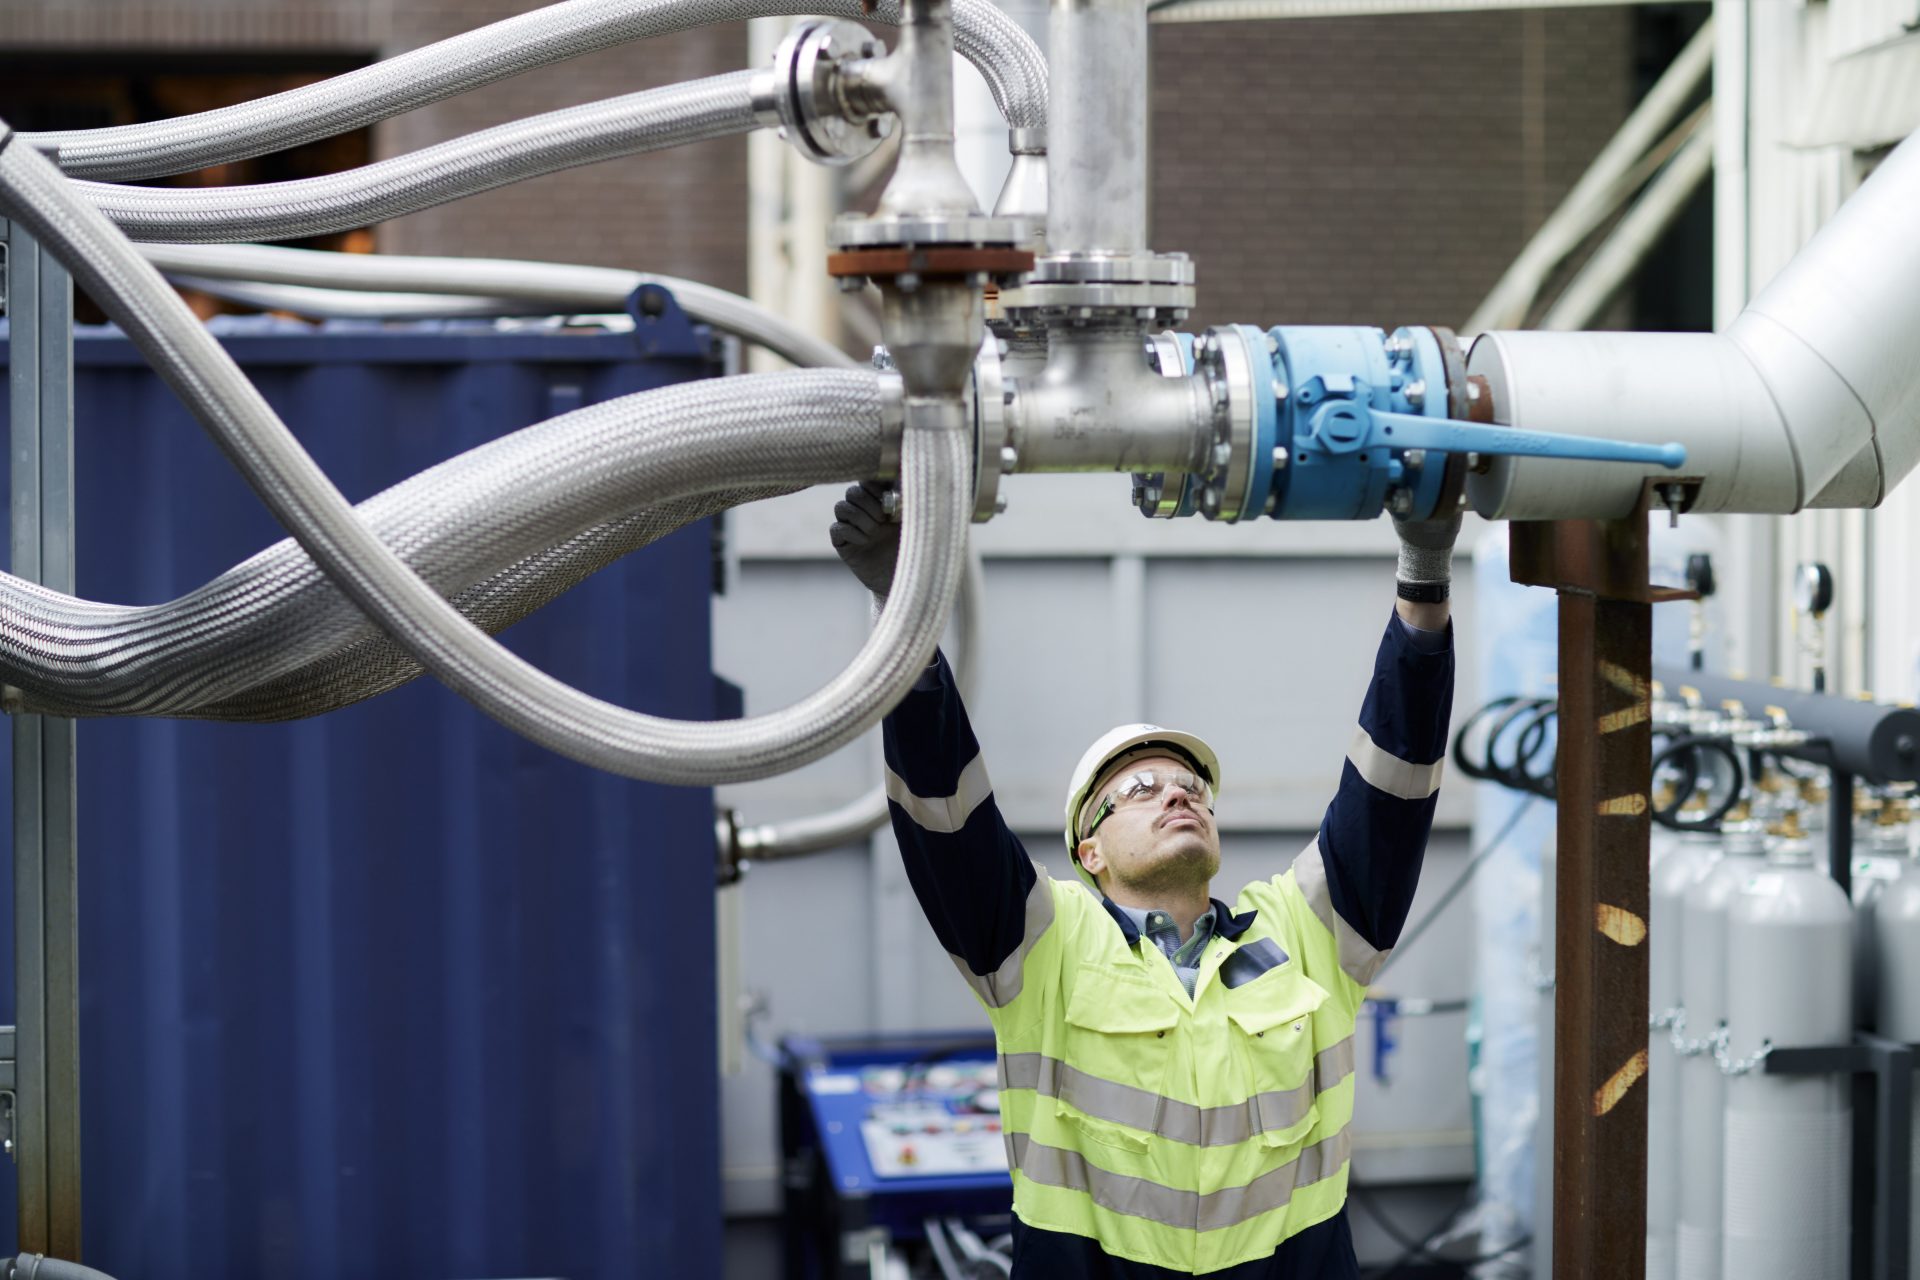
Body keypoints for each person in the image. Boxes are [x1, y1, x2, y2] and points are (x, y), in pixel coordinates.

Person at [830, 480, 1457, 1278]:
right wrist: (902, 602)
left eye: (1192, 789)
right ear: (1088, 852)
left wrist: (1425, 571)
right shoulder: (1042, 947)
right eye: (1137, 791)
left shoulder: (1307, 934)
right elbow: (944, 809)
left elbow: (1394, 787)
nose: (1176, 795)